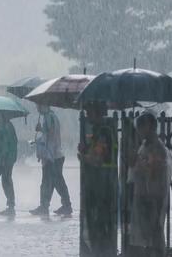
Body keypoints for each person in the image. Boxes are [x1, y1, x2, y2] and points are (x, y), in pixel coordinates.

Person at [128, 111, 171, 257]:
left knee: (154, 233)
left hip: (153, 196)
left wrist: (141, 165)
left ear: (150, 127)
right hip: (143, 195)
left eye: (141, 126)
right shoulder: (144, 145)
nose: (139, 130)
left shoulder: (158, 148)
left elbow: (153, 171)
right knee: (147, 234)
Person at [79, 101, 117, 257]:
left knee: (100, 224)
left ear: (97, 112)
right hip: (101, 185)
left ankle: (101, 252)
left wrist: (83, 157)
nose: (87, 116)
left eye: (90, 112)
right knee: (98, 223)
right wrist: (86, 150)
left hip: (102, 185)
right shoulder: (101, 131)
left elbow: (98, 159)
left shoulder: (104, 132)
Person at [30, 105, 72, 216]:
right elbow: (49, 135)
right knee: (53, 183)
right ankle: (58, 205)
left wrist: (41, 129)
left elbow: (51, 133)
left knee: (51, 183)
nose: (37, 108)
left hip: (53, 156)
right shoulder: (51, 117)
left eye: (39, 106)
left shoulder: (49, 117)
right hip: (54, 156)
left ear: (45, 106)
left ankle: (48, 206)